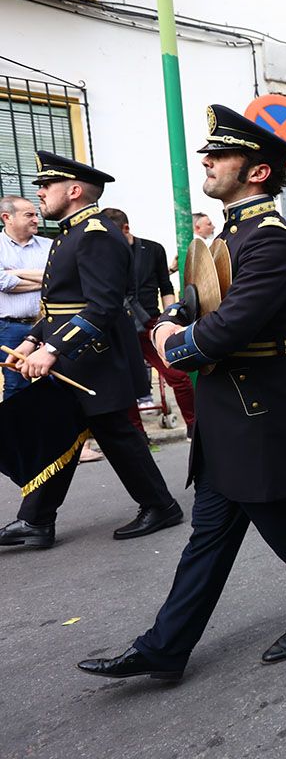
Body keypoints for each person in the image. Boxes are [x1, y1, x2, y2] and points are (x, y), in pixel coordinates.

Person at [78, 104, 286, 681]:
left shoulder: (268, 240)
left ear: (258, 171)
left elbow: (227, 329)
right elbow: (204, 300)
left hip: (260, 410)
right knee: (208, 537)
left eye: (221, 155)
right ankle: (165, 646)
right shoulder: (234, 232)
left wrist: (173, 337)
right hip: (231, 412)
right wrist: (175, 314)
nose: (209, 160)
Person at [0, 152, 182, 550]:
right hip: (76, 354)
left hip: (96, 356)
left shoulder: (95, 232)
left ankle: (160, 505)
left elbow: (102, 304)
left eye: (46, 186)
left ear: (75, 190)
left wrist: (51, 348)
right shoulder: (71, 232)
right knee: (64, 433)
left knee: (115, 433)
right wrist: (33, 340)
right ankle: (36, 520)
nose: (41, 193)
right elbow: (58, 304)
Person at [107, 208, 196, 438]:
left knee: (178, 375)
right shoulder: (104, 251)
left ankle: (194, 427)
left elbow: (165, 286)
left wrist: (169, 321)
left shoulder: (153, 249)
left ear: (125, 228)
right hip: (118, 325)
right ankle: (138, 436)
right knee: (126, 384)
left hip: (151, 323)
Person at [0, 195, 51, 399]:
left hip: (50, 324)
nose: (36, 219)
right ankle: (16, 431)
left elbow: (60, 278)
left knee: (58, 381)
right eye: (29, 215)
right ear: (7, 217)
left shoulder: (49, 245)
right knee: (16, 385)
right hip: (10, 327)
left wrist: (15, 273)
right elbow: (3, 284)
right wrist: (44, 279)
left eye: (36, 214)